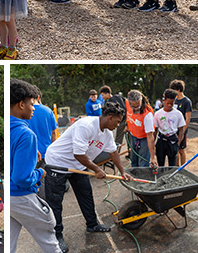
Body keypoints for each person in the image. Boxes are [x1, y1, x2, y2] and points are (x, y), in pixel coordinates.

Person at [44, 102, 133, 253]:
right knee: (55, 202)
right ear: (110, 117)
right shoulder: (86, 125)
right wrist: (97, 170)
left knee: (86, 194)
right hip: (58, 162)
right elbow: (78, 154)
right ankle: (56, 236)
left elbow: (113, 152)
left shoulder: (107, 133)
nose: (118, 125)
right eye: (117, 121)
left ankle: (92, 224)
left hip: (78, 165)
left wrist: (122, 171)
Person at [10, 79, 61, 253]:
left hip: (7, 196)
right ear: (21, 105)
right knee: (48, 234)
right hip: (21, 195)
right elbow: (21, 178)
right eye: (32, 104)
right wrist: (39, 173)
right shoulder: (26, 134)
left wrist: (29, 156)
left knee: (9, 244)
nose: (34, 108)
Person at [153, 89, 186, 168]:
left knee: (172, 166)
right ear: (164, 101)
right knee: (160, 164)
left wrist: (178, 143)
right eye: (168, 103)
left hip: (172, 141)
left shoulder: (178, 114)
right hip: (161, 141)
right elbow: (155, 130)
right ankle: (160, 178)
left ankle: (171, 179)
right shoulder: (158, 114)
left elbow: (181, 129)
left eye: (172, 103)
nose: (170, 105)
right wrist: (153, 145)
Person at [26, 86, 58, 167]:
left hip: (29, 153)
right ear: (38, 97)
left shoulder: (23, 112)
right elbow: (54, 133)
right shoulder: (48, 111)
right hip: (46, 153)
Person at [125, 90, 157, 169]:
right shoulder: (127, 103)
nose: (136, 108)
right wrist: (127, 125)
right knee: (133, 161)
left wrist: (152, 157)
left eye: (138, 106)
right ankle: (134, 178)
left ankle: (142, 180)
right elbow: (128, 114)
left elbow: (150, 137)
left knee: (143, 163)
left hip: (144, 139)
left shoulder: (147, 115)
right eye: (133, 106)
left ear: (141, 101)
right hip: (133, 136)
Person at [169, 80, 193, 165]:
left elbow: (187, 118)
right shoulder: (174, 100)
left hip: (181, 130)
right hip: (173, 130)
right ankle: (177, 167)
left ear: (178, 89)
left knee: (181, 150)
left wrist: (182, 132)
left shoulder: (186, 101)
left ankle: (183, 168)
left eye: (173, 89)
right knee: (175, 149)